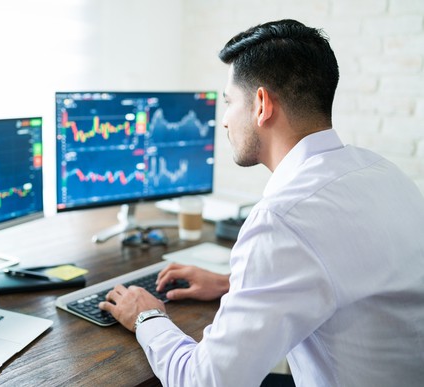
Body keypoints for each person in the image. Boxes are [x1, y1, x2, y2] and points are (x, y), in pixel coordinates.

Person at [99, 19, 424, 386]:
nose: (224, 121)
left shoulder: (283, 220)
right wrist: (231, 283)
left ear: (261, 105)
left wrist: (146, 316)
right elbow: (342, 271)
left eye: (228, 102)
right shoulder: (382, 172)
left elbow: (203, 381)